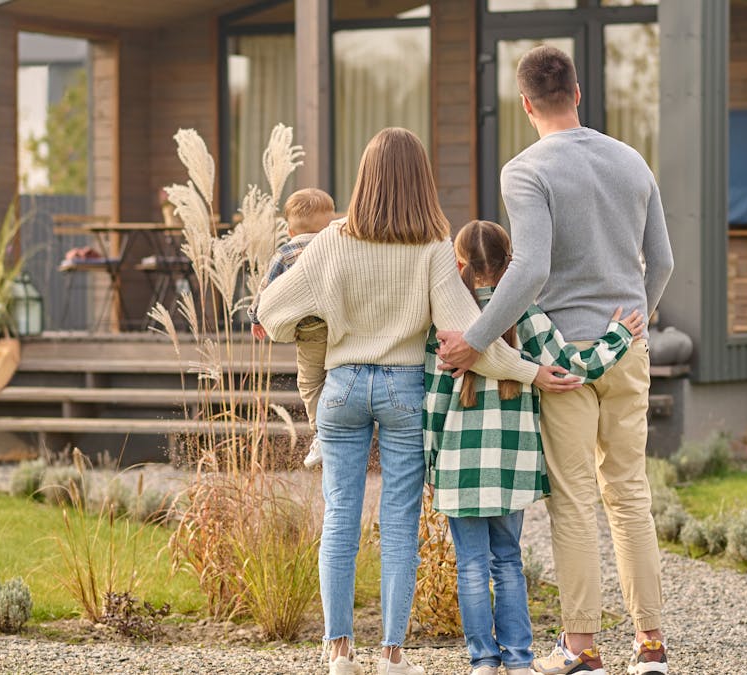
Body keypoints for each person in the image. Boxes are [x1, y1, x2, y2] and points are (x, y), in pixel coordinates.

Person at [256, 128, 579, 675]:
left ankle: (338, 653)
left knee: (339, 517)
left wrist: (319, 328)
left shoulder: (331, 240)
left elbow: (269, 311)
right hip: (404, 391)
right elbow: (471, 340)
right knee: (399, 523)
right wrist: (531, 372)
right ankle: (391, 656)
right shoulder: (432, 250)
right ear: (421, 182)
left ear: (365, 179)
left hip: (341, 387)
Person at [436, 46, 675, 675]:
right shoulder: (631, 160)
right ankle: (650, 647)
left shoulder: (525, 170)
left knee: (574, 502)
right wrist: (636, 322)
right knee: (629, 496)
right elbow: (665, 261)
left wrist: (477, 337)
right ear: (576, 91)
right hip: (626, 347)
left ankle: (582, 647)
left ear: (524, 104)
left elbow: (532, 267)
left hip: (561, 362)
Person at [424, 220, 643, 675]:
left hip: (459, 468)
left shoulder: (446, 320)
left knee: (469, 566)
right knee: (507, 560)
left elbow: (432, 400)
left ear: (458, 264)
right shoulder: (525, 313)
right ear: (513, 265)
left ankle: (483, 660)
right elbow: (573, 367)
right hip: (514, 464)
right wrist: (620, 334)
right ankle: (520, 659)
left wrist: (433, 466)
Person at [248, 187, 336, 469]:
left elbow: (266, 290)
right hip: (342, 326)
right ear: (330, 223)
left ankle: (322, 432)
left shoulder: (286, 253)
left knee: (310, 382)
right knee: (337, 377)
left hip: (310, 332)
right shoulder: (336, 246)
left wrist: (255, 317)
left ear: (289, 230)